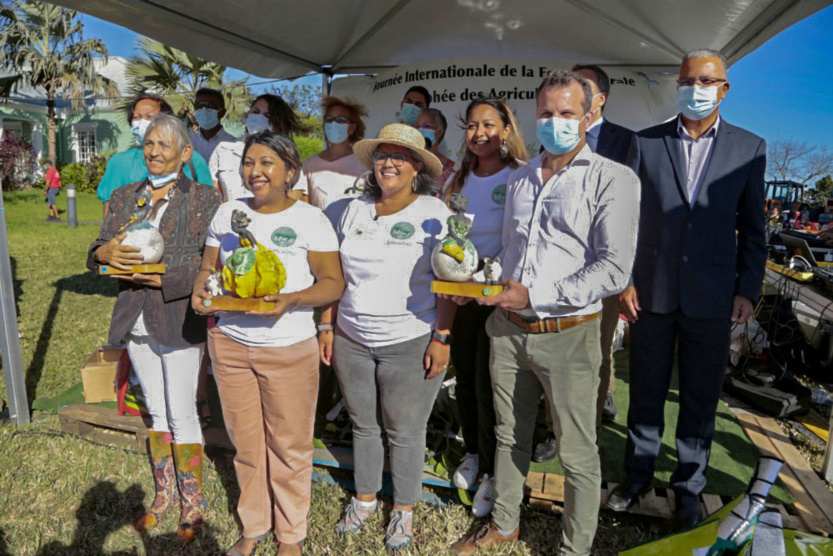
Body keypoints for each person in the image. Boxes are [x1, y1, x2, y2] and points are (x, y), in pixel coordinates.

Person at [449, 70, 639, 556]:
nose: (555, 122)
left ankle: (574, 548)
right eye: (547, 113)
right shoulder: (521, 178)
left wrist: (535, 296)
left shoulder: (613, 179)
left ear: (591, 114)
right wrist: (483, 286)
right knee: (509, 434)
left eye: (567, 113)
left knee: (576, 452)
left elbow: (614, 269)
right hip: (508, 330)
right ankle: (506, 523)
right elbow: (513, 254)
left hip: (569, 333)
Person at [610, 49, 766, 530]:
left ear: (724, 88)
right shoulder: (647, 142)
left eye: (706, 80)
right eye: (687, 80)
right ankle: (637, 475)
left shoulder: (750, 147)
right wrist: (625, 280)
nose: (695, 88)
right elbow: (626, 220)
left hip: (714, 295)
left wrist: (748, 288)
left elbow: (753, 226)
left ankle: (689, 487)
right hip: (651, 292)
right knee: (647, 390)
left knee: (700, 397)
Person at [193, 131, 344, 556]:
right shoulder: (226, 213)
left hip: (288, 348)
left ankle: (291, 535)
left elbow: (333, 283)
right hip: (230, 343)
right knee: (245, 443)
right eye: (248, 162)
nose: (254, 172)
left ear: (289, 172)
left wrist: (294, 299)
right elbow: (208, 269)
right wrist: (199, 292)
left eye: (266, 163)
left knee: (289, 445)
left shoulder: (310, 219)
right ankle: (254, 526)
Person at [318, 123, 455, 552]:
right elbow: (331, 275)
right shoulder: (346, 210)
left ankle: (404, 510)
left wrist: (442, 337)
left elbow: (448, 281)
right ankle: (364, 499)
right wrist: (326, 325)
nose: (388, 163)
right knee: (363, 425)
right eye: (382, 155)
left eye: (399, 156)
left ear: (417, 166)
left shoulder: (436, 213)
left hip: (411, 337)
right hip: (351, 337)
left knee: (406, 432)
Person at [87, 114, 221, 542]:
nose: (154, 150)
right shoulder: (127, 195)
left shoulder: (204, 197)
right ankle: (165, 495)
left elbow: (209, 262)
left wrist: (165, 278)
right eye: (149, 143)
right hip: (135, 317)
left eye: (165, 144)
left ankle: (193, 503)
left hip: (178, 317)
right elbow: (98, 250)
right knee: (157, 412)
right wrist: (102, 251)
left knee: (182, 410)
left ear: (186, 153)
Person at [442, 97, 528, 518]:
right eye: (472, 126)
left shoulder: (519, 177)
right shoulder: (457, 182)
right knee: (466, 379)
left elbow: (522, 241)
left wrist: (488, 281)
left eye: (489, 125)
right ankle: (473, 453)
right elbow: (448, 244)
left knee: (490, 387)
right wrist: (455, 283)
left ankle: (496, 474)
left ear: (506, 130)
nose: (479, 133)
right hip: (464, 301)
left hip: (502, 301)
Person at [572, 63, 637, 427]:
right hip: (558, 267)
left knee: (597, 353)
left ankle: (589, 429)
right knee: (558, 353)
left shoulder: (629, 142)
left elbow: (636, 213)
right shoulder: (557, 137)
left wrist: (627, 275)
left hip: (605, 268)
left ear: (600, 99)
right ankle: (553, 427)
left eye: (581, 85)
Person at [96, 92, 214, 218]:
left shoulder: (193, 159)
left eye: (150, 116)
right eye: (137, 117)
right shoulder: (120, 162)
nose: (142, 122)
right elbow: (110, 213)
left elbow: (208, 204)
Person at [209, 94, 311, 203]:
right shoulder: (224, 150)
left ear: (278, 123)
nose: (259, 118)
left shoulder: (288, 158)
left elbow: (294, 203)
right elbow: (214, 197)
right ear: (249, 114)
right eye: (256, 112)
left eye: (267, 116)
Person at [303, 96, 368, 212]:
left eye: (340, 120)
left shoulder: (365, 162)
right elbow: (304, 203)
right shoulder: (310, 164)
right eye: (329, 119)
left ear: (352, 128)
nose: (333, 123)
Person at [189, 87, 237, 163]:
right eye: (199, 106)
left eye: (209, 106)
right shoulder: (189, 143)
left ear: (222, 112)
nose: (203, 110)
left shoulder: (232, 143)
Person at [415, 108, 456, 184]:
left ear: (440, 132)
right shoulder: (409, 162)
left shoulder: (451, 168)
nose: (420, 130)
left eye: (426, 126)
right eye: (417, 126)